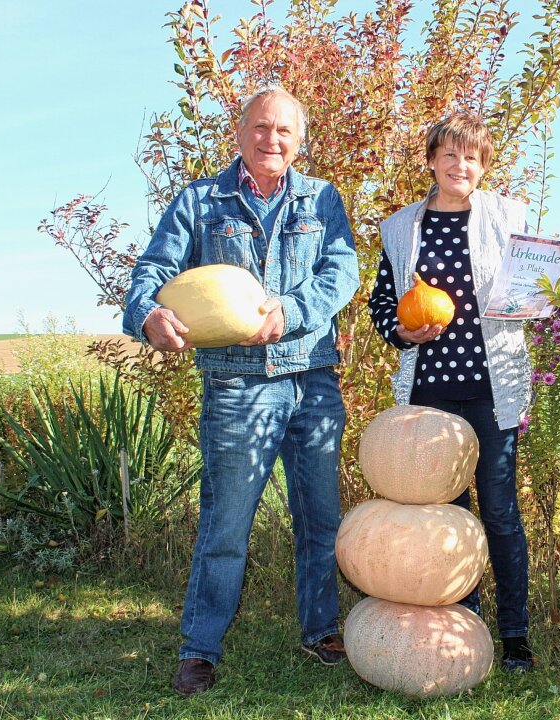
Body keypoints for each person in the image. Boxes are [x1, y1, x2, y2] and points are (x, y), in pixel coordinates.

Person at [122, 87, 360, 696]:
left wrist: (293, 309)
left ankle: (321, 630)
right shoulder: (201, 201)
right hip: (235, 384)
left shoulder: (322, 198)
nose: (270, 139)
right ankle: (200, 648)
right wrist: (148, 316)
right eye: (260, 127)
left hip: (312, 377)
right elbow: (152, 273)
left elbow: (341, 272)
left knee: (320, 517)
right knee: (226, 523)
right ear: (240, 130)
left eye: (283, 130)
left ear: (299, 139)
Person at [367, 112, 535, 673]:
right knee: (444, 517)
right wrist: (401, 330)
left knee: (501, 512)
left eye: (471, 157)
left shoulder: (512, 218)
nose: (459, 165)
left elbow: (538, 291)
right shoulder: (400, 228)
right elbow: (382, 304)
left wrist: (538, 297)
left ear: (484, 165)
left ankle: (515, 637)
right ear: (432, 161)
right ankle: (465, 620)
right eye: (449, 155)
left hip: (494, 390)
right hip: (428, 394)